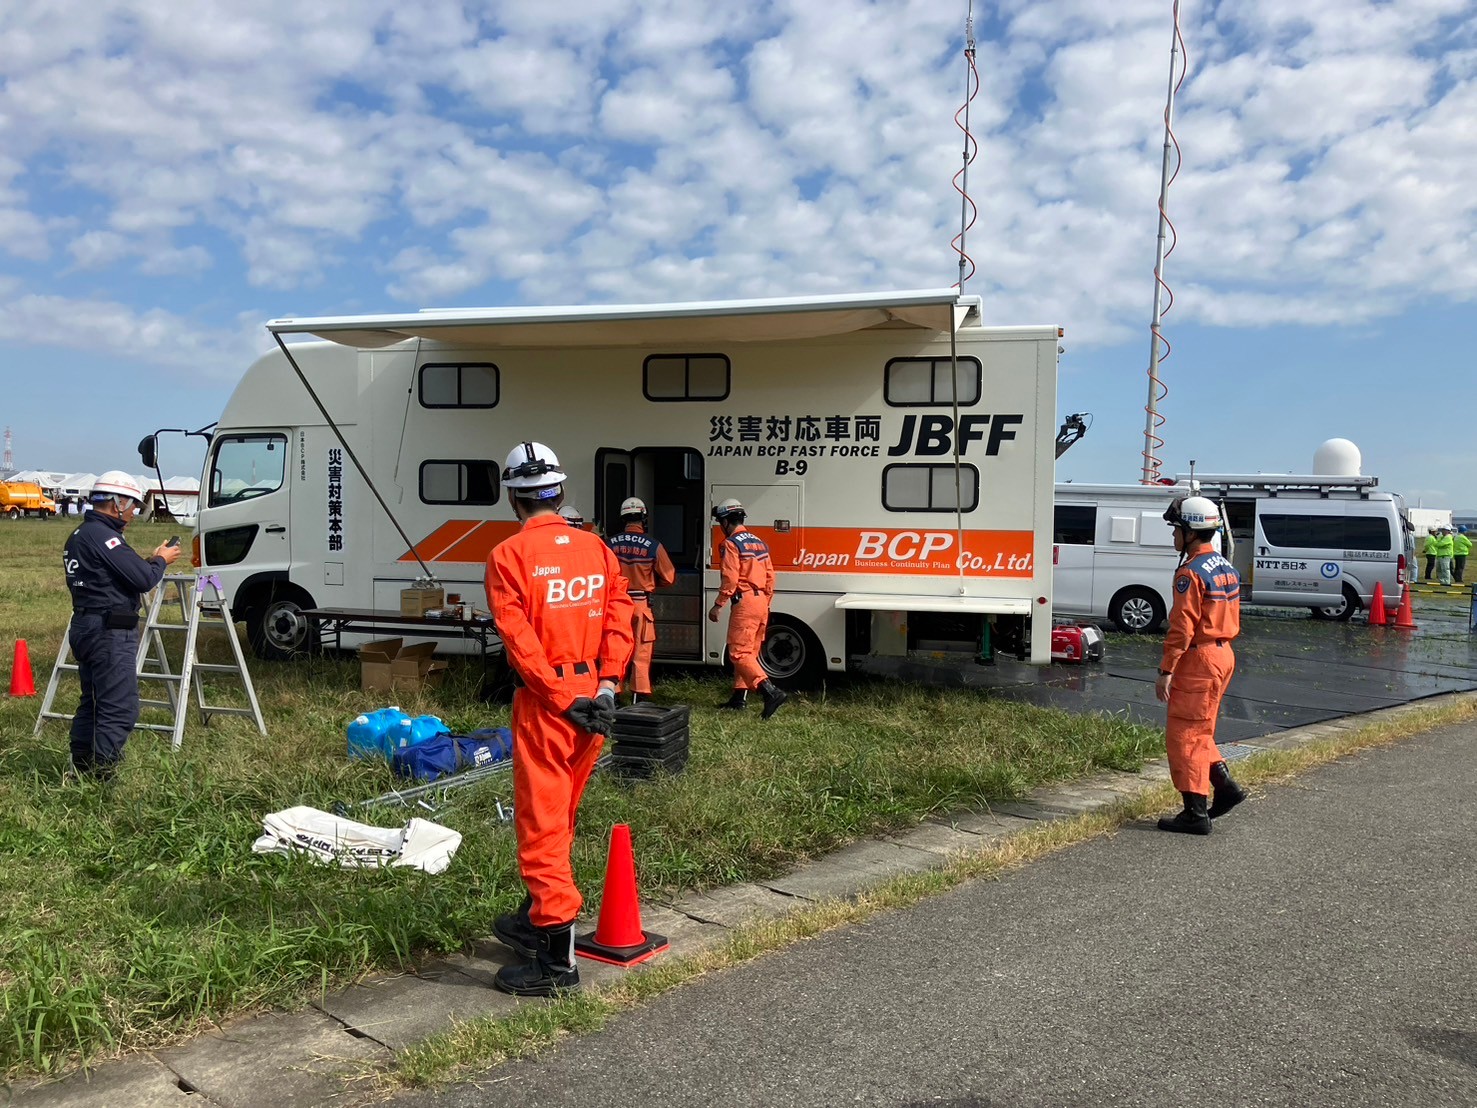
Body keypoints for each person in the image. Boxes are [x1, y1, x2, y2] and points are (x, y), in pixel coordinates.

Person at [484, 442, 634, 997]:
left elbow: (519, 639)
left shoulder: (508, 556)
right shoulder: (597, 549)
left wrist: (557, 697)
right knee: (561, 814)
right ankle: (534, 918)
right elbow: (620, 618)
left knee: (542, 827)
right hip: (594, 700)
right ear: (561, 491)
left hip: (549, 705)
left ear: (514, 499)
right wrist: (608, 686)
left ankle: (555, 961)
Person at [62, 470, 182, 779]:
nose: (133, 514)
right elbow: (142, 579)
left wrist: (150, 561)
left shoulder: (81, 534)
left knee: (92, 702)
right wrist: (161, 560)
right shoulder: (106, 537)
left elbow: (119, 573)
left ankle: (81, 769)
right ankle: (103, 775)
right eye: (133, 506)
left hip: (87, 623)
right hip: (108, 630)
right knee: (118, 706)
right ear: (118, 503)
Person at [1155, 495, 1245, 835]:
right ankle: (1225, 786)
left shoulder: (1190, 573)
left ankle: (1195, 813)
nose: (1173, 535)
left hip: (1199, 658)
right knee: (1201, 729)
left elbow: (1182, 627)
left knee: (1185, 734)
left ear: (1191, 532)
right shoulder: (1225, 567)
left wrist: (1166, 670)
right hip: (1223, 654)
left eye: (1176, 529)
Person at [707, 498, 787, 719]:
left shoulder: (731, 544)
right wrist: (765, 602)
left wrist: (718, 604)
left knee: (738, 652)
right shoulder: (759, 543)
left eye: (720, 522)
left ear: (725, 521)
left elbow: (730, 578)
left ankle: (770, 692)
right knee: (749, 652)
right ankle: (738, 698)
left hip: (745, 601)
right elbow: (770, 576)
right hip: (761, 602)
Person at [606, 497, 676, 705]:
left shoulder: (609, 544)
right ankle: (640, 696)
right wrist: (650, 582)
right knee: (641, 651)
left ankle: (614, 695)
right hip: (640, 604)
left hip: (616, 604)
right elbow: (669, 577)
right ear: (644, 518)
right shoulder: (653, 545)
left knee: (615, 649)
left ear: (623, 519)